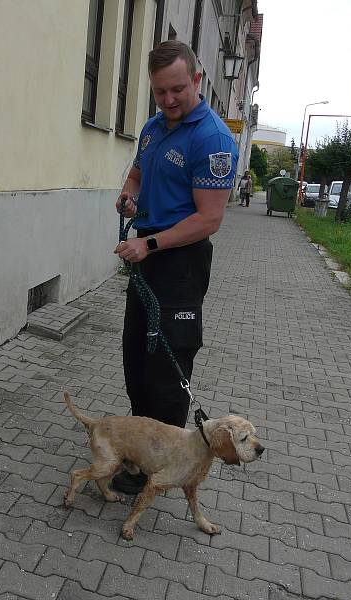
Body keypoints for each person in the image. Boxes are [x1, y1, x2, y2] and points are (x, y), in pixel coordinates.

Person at [112, 40, 238, 494]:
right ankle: (140, 449)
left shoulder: (214, 140)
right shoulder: (152, 128)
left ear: (197, 81)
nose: (169, 100)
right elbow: (138, 174)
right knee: (136, 359)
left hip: (179, 264)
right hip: (146, 258)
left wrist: (150, 242)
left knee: (167, 367)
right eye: (160, 92)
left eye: (178, 90)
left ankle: (160, 470)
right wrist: (129, 193)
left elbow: (210, 219)